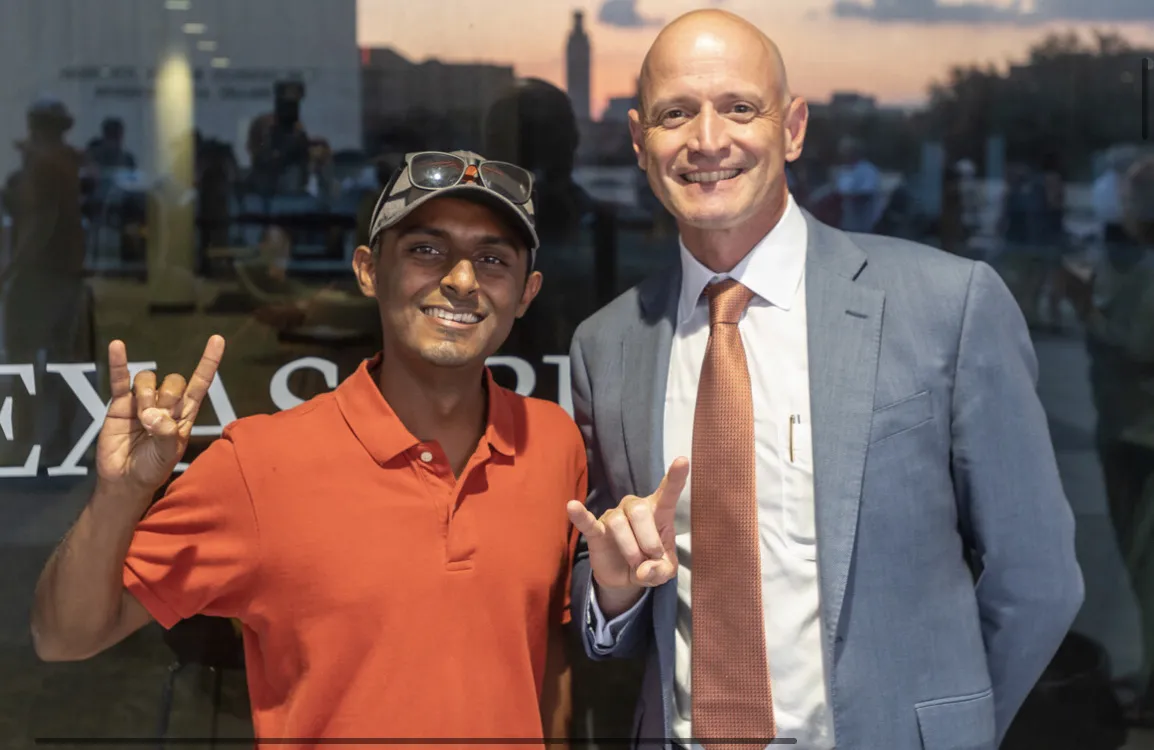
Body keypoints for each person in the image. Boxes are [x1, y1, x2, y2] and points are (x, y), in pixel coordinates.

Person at [564, 10, 1083, 749]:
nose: (708, 141)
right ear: (640, 142)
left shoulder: (947, 305)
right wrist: (612, 592)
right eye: (677, 113)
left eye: (739, 108)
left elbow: (1038, 581)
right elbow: (605, 597)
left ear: (795, 128)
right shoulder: (607, 345)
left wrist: (949, 731)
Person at [31, 150, 585, 748]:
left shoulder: (553, 445)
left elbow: (545, 663)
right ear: (369, 270)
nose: (460, 279)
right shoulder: (260, 465)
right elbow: (64, 637)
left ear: (526, 292)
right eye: (426, 249)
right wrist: (121, 495)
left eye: (492, 259)